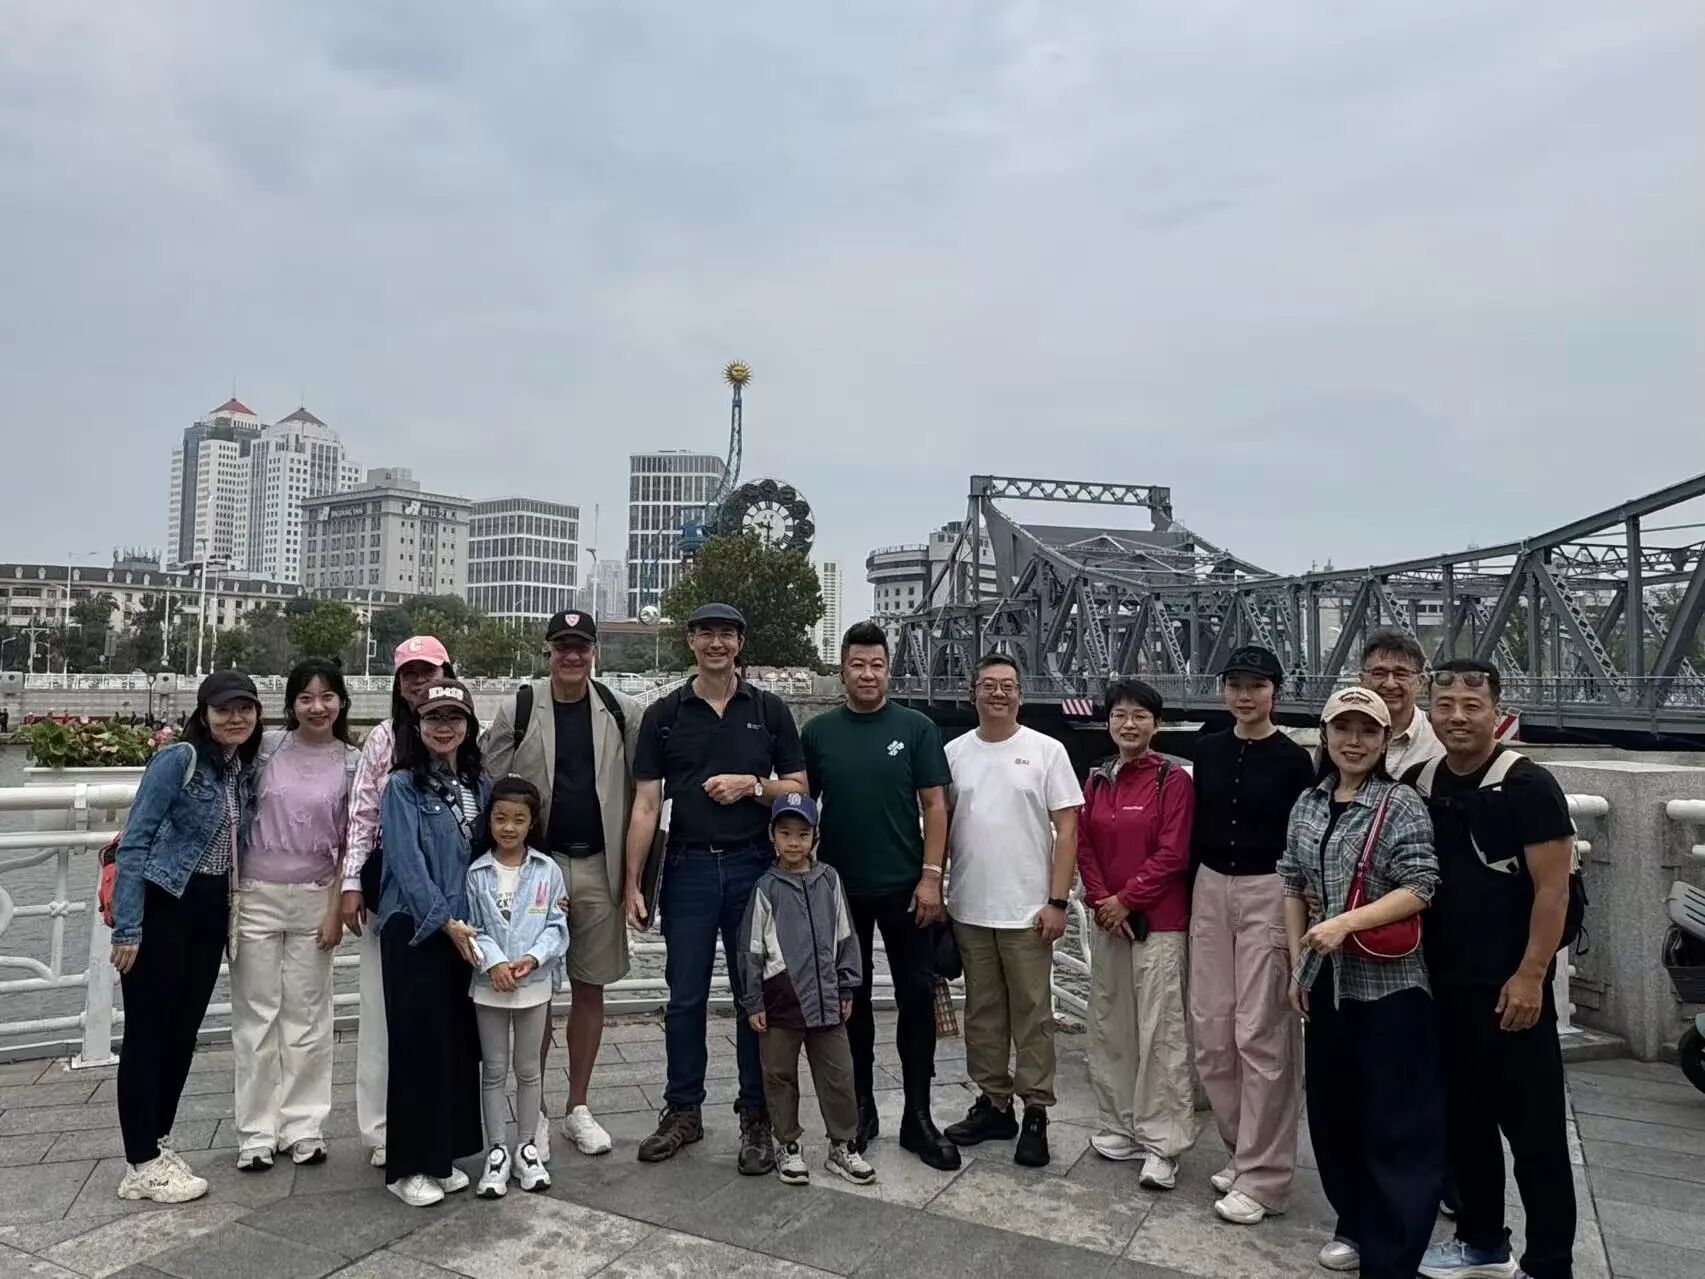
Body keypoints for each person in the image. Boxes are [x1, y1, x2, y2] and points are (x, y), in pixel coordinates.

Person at [624, 602, 807, 1174]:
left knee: (756, 994)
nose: (716, 644)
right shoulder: (664, 715)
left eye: (726, 634)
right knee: (685, 995)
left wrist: (752, 785)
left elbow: (798, 789)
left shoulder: (769, 710)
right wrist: (633, 883)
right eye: (705, 634)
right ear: (690, 642)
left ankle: (756, 1114)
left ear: (739, 644)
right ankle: (683, 1109)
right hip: (687, 868)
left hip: (755, 866)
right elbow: (646, 804)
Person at [1414, 660, 1579, 1279]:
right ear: (1431, 712)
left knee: (1536, 1135)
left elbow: (1553, 891)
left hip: (1511, 986)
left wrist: (1532, 974)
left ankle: (1550, 1263)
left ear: (1497, 712)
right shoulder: (1424, 780)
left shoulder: (1529, 785)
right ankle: (1482, 1241)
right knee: (1467, 1123)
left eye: (1472, 705)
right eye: (1445, 705)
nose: (1457, 717)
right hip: (1444, 982)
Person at [1281, 686, 1444, 1278]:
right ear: (1325, 734)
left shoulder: (1400, 804)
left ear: (1384, 740)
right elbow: (1293, 883)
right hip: (1327, 981)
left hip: (1389, 985)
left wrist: (1343, 924)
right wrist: (1298, 963)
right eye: (1343, 728)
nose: (1353, 741)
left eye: (1367, 731)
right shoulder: (1309, 803)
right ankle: (1352, 1221)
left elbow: (1421, 885)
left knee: (1394, 1119)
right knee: (1334, 1111)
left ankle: (1392, 1251)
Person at [800, 620, 958, 1170]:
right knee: (853, 1002)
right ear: (842, 670)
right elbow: (803, 808)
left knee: (916, 999)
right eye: (857, 665)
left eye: (877, 665)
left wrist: (932, 877)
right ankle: (861, 1110)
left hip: (907, 889)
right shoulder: (819, 732)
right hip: (840, 892)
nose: (868, 674)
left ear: (889, 670)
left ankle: (918, 1116)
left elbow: (935, 805)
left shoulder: (916, 728)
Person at [482, 609, 640, 1161]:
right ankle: (536, 1114)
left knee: (590, 987)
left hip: (598, 864)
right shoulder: (519, 709)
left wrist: (638, 879)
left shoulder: (622, 712)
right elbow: (490, 788)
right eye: (562, 646)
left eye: (582, 646)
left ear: (594, 651)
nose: (572, 656)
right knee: (534, 994)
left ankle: (578, 1107)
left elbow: (646, 796)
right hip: (534, 872)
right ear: (547, 651)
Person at [110, 671, 263, 1204]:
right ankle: (139, 1162)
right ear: (204, 714)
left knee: (181, 1033)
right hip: (164, 904)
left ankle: (156, 1142)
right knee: (148, 1034)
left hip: (209, 911)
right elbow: (134, 843)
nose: (235, 718)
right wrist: (129, 927)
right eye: (224, 709)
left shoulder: (238, 769)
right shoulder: (179, 759)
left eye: (245, 708)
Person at [1187, 644, 1315, 1224]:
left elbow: (1302, 839)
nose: (1245, 695)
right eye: (1236, 684)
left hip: (1270, 888)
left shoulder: (1294, 760)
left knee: (1261, 1032)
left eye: (1257, 686)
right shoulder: (1207, 749)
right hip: (1210, 886)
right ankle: (1241, 1150)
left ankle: (1265, 1177)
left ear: (1275, 693)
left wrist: (1303, 914)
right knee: (1211, 1028)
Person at [941, 654, 1083, 1167]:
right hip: (970, 906)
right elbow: (941, 822)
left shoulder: (1047, 750)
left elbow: (1068, 828)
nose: (998, 693)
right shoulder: (954, 752)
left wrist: (1058, 901)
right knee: (981, 1014)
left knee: (1033, 1015)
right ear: (973, 692)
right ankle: (994, 1102)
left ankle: (1036, 1110)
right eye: (988, 684)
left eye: (1008, 685)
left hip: (1028, 911)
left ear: (1020, 695)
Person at [231, 659, 360, 1172]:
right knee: (256, 1017)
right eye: (306, 698)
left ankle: (304, 1126)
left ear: (342, 703)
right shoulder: (263, 749)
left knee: (307, 1017)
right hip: (255, 894)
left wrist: (335, 912)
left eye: (327, 697)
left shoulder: (351, 762)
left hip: (315, 895)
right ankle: (256, 1131)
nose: (317, 707)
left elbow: (351, 842)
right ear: (290, 705)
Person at [1077, 677, 1197, 1190]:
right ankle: (1121, 1124)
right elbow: (1083, 845)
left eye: (1140, 715)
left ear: (1157, 723)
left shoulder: (1173, 779)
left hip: (1159, 924)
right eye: (1120, 715)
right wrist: (1102, 900)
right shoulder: (1097, 780)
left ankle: (1164, 1143)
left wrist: (1126, 899)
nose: (1129, 724)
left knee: (1161, 1031)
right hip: (1110, 922)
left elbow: (1173, 853)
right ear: (1108, 722)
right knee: (1112, 1023)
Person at [341, 635, 453, 1168]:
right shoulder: (385, 738)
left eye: (429, 671)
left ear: (448, 672)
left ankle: (439, 1124)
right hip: (392, 890)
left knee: (442, 1014)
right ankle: (383, 1129)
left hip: (452, 889)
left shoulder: (461, 733)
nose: (420, 682)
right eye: (410, 674)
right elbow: (362, 814)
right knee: (382, 1009)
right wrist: (351, 882)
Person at [377, 677, 487, 1207]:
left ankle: (442, 1156)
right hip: (417, 928)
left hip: (464, 930)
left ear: (468, 726)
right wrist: (443, 921)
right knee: (416, 1046)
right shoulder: (402, 786)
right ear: (417, 725)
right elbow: (406, 862)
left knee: (455, 1046)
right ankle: (408, 1166)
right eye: (434, 718)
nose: (444, 728)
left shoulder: (479, 785)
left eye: (454, 718)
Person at [738, 794, 876, 1187]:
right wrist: (753, 1000)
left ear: (815, 836)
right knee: (779, 1075)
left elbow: (846, 936)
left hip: (828, 999)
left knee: (839, 1074)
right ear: (772, 836)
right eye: (785, 833)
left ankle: (842, 1145)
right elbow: (751, 949)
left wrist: (847, 985)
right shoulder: (765, 888)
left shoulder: (830, 880)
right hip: (780, 1000)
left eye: (802, 834)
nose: (794, 842)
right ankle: (787, 1143)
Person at [466, 776, 569, 1199]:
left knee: (529, 1070)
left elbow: (557, 925)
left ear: (532, 823)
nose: (509, 827)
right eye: (500, 818)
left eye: (518, 820)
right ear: (489, 820)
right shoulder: (476, 873)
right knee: (493, 1070)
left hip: (534, 983)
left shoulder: (548, 871)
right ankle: (496, 1150)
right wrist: (493, 963)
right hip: (489, 984)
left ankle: (526, 1146)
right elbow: (472, 926)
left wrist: (532, 958)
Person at [1360, 628, 1443, 777]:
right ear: (1362, 680)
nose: (1390, 684)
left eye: (1401, 674)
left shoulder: (1440, 740)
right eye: (1379, 673)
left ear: (1421, 682)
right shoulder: (1341, 738)